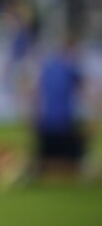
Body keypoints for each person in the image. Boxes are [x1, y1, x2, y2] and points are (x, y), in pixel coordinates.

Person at [33, 35, 85, 178]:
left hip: (46, 123)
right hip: (64, 123)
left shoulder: (47, 68)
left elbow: (36, 94)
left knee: (43, 163)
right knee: (75, 164)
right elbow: (87, 91)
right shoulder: (71, 69)